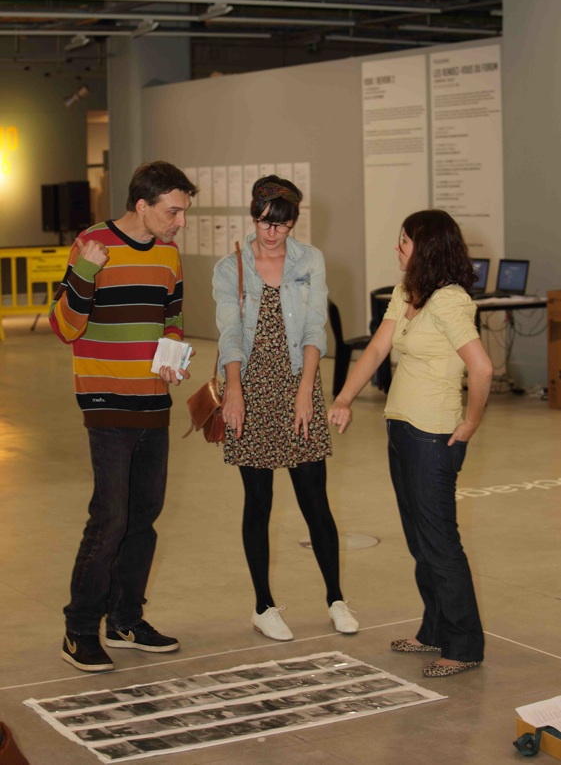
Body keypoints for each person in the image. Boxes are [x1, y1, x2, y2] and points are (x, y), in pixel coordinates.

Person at [328, 209, 493, 677]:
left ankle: (464, 645)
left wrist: (470, 423)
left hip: (432, 436)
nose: (397, 248)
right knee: (420, 541)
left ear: (427, 248)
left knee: (439, 542)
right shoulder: (408, 291)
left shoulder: (450, 301)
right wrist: (343, 398)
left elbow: (482, 368)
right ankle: (434, 629)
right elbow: (378, 348)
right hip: (401, 429)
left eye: (404, 241)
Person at [50, 160, 197, 672]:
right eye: (173, 211)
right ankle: (78, 630)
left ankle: (126, 619)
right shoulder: (92, 244)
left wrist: (172, 352)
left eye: (183, 212)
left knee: (143, 518)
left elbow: (172, 316)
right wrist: (84, 272)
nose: (180, 221)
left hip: (153, 402)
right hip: (105, 400)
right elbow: (64, 327)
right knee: (110, 517)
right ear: (142, 204)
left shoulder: (169, 255)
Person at [212, 175, 358, 641]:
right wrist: (235, 390)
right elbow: (229, 332)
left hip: (299, 383)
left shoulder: (309, 260)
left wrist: (305, 390)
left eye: (280, 224)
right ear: (253, 216)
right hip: (250, 389)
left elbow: (315, 328)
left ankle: (336, 599)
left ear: (294, 221)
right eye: (263, 222)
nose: (271, 232)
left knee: (316, 502)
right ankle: (263, 605)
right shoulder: (230, 267)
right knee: (258, 502)